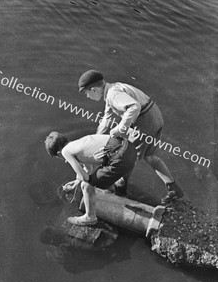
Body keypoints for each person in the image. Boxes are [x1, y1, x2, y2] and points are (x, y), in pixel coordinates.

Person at [77, 69, 184, 205]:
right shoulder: (113, 89)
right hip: (155, 116)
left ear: (94, 90)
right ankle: (173, 188)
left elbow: (134, 106)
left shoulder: (113, 95)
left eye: (86, 93)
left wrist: (121, 128)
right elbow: (106, 119)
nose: (87, 96)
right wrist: (94, 141)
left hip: (144, 122)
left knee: (127, 156)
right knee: (149, 156)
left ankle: (121, 189)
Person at [45, 131, 137, 226]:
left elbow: (85, 177)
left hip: (121, 159)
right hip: (129, 148)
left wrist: (82, 182)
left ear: (59, 153)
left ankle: (90, 217)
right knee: (115, 176)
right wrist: (77, 181)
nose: (63, 159)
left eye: (58, 157)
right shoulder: (78, 142)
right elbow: (88, 168)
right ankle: (121, 192)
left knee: (86, 185)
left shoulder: (65, 151)